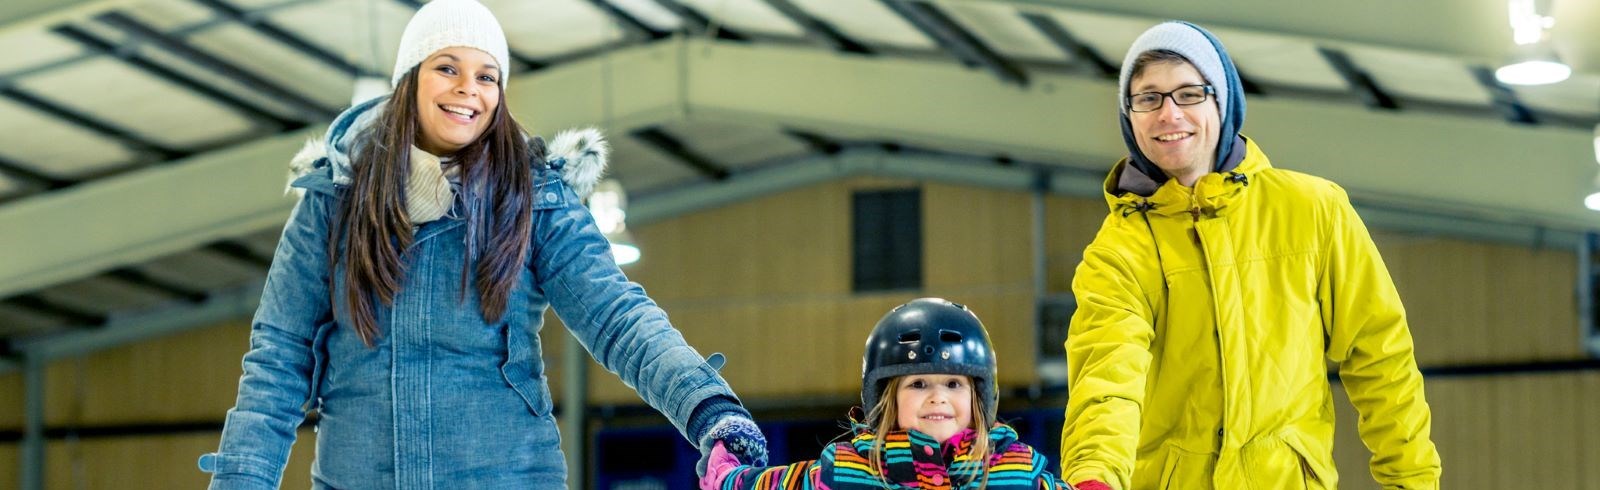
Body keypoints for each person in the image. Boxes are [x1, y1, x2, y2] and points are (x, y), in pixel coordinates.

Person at [198, 1, 765, 487]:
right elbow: (278, 359)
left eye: (487, 75)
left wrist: (708, 408)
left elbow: (618, 317)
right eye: (448, 67)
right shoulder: (333, 201)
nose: (468, 88)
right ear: (410, 80)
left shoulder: (534, 196)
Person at [1059, 21, 1441, 490]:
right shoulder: (1117, 251)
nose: (1168, 113)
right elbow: (1106, 380)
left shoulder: (1312, 209)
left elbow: (1381, 357)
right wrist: (1093, 476)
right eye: (1148, 97)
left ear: (1222, 101)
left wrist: (1413, 480)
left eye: (1189, 94)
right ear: (1130, 115)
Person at [700, 298, 1068, 489]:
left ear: (980, 398)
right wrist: (725, 469)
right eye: (919, 384)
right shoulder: (846, 471)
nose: (938, 397)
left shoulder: (1017, 472)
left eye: (954, 384)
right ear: (886, 398)